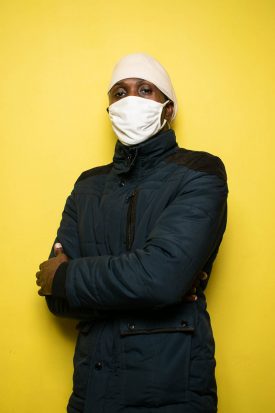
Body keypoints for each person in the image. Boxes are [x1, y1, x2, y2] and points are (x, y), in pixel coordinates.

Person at [36, 53, 228, 413]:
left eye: (145, 90)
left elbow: (160, 278)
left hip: (171, 392)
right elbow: (55, 296)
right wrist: (143, 279)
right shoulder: (88, 185)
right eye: (119, 93)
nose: (131, 100)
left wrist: (69, 277)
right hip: (91, 392)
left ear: (168, 109)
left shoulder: (200, 172)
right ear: (109, 108)